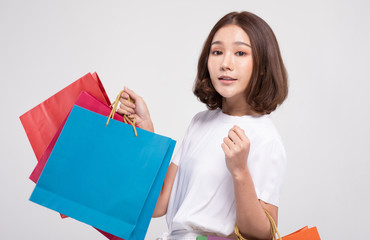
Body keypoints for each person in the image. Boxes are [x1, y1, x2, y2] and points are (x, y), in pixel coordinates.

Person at [118, 11, 288, 240]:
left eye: (240, 53)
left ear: (263, 66)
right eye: (217, 52)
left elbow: (263, 234)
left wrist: (239, 171)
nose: (226, 64)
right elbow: (158, 205)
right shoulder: (200, 123)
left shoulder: (266, 137)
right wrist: (147, 133)